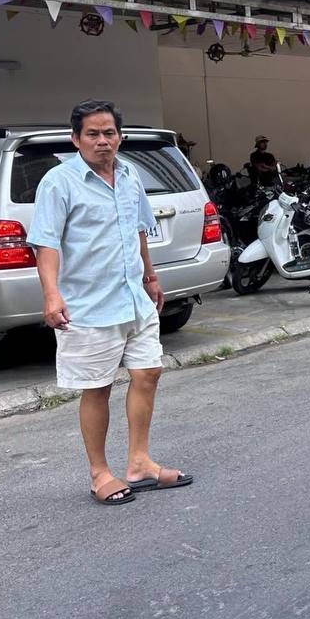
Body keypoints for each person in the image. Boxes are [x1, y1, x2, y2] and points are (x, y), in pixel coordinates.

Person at [27, 100, 192, 506]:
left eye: (109, 133)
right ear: (76, 139)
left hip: (133, 297)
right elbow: (45, 243)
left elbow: (139, 229)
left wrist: (150, 276)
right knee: (97, 387)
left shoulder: (130, 174)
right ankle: (99, 473)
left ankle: (139, 463)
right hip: (88, 303)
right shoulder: (58, 182)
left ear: (120, 136)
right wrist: (51, 293)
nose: (102, 141)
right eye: (93, 134)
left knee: (148, 373)